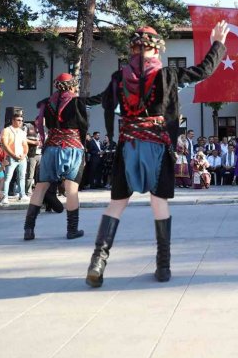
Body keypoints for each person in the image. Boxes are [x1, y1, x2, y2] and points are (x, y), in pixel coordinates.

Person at [85, 22, 229, 287]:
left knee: (117, 204)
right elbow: (203, 71)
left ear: (133, 48)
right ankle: (163, 267)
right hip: (157, 146)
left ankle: (98, 262)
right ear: (156, 49)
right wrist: (218, 43)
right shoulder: (167, 74)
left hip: (129, 146)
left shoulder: (119, 78)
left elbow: (103, 102)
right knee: (158, 202)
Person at [23, 73, 103, 241]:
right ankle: (71, 230)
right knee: (71, 190)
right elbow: (83, 125)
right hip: (72, 148)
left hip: (51, 147)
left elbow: (42, 124)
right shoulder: (77, 101)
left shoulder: (47, 102)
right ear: (72, 85)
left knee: (40, 188)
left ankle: (28, 230)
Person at [0, 113, 29, 204]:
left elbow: (25, 145)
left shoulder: (22, 132)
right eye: (18, 120)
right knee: (8, 177)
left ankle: (22, 195)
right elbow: (5, 144)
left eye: (21, 120)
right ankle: (5, 196)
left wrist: (24, 154)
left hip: (22, 157)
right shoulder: (6, 130)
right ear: (13, 121)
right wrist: (13, 155)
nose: (20, 122)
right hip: (11, 157)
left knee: (22, 176)